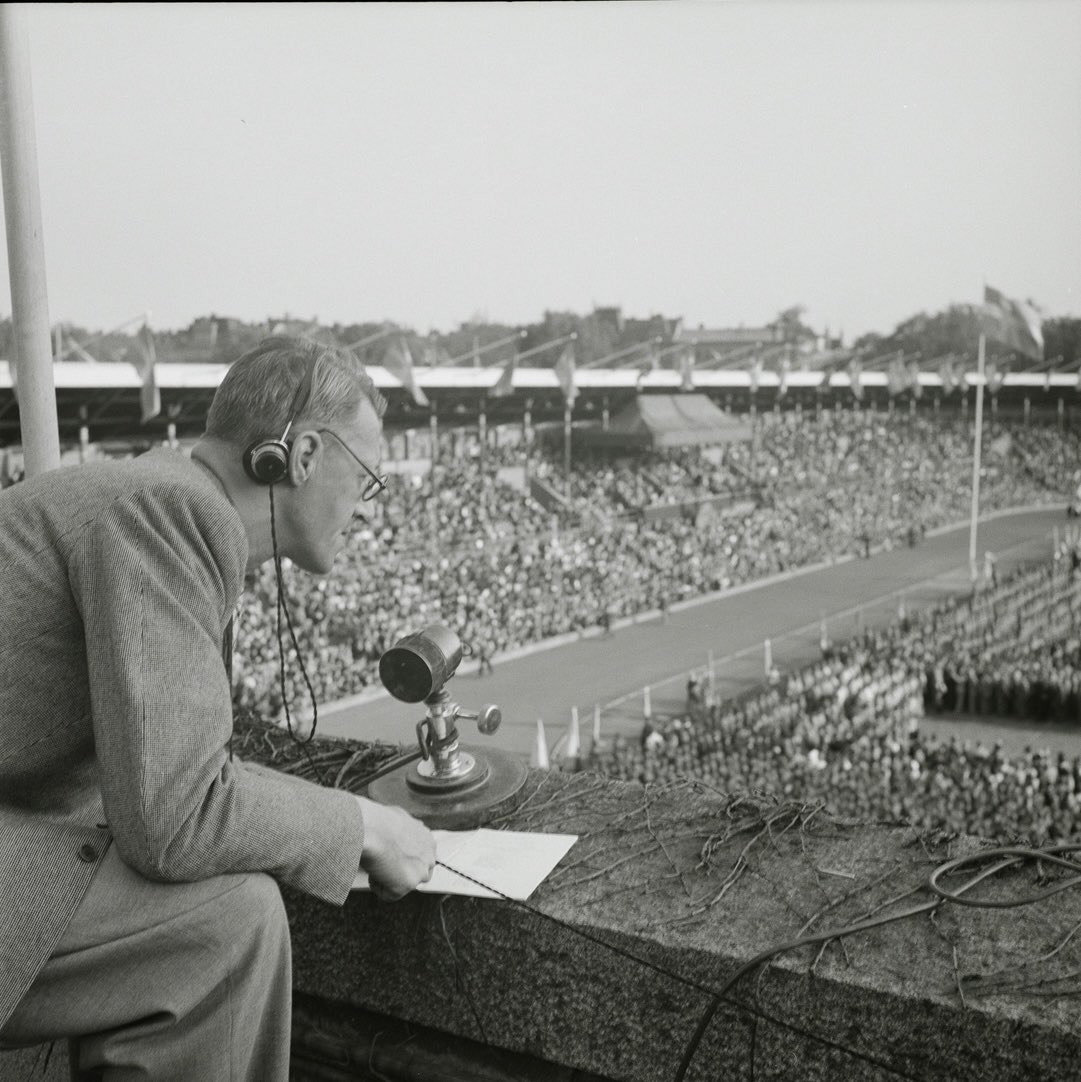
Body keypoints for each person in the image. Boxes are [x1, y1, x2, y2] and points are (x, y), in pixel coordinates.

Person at [0, 337, 437, 1080]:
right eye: (368, 480)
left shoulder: (151, 496)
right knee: (229, 922)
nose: (368, 512)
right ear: (298, 458)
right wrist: (367, 824)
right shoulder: (172, 510)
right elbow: (174, 816)